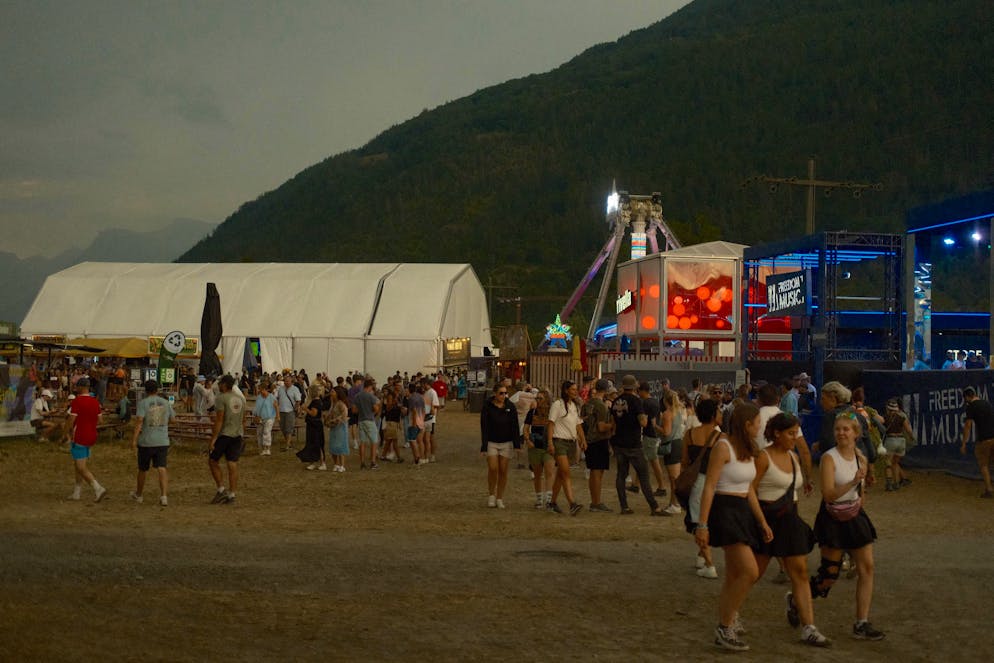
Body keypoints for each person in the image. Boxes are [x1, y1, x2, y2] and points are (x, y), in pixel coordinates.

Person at [695, 403, 772, 651]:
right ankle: (726, 624)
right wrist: (702, 525)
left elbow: (749, 488)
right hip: (725, 510)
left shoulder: (748, 448)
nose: (761, 426)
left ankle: (727, 620)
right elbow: (709, 487)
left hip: (742, 511)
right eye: (758, 422)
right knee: (749, 571)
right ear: (747, 424)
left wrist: (761, 520)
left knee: (734, 575)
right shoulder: (723, 446)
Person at [754, 413, 829, 647]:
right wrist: (759, 523)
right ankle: (730, 618)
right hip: (766, 522)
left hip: (790, 520)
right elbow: (749, 492)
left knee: (801, 573)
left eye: (796, 433)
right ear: (776, 433)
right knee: (751, 574)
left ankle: (809, 627)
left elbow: (792, 488)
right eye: (790, 433)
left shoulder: (794, 456)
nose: (795, 438)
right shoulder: (763, 457)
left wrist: (806, 480)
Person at [807, 411, 883, 640]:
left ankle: (861, 622)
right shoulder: (829, 458)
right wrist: (852, 481)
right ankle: (797, 598)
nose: (841, 433)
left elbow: (862, 491)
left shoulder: (861, 457)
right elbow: (829, 494)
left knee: (867, 568)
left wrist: (860, 496)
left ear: (856, 433)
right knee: (829, 575)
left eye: (846, 429)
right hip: (832, 518)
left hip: (854, 516)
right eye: (838, 429)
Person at [611, 375, 667, 516]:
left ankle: (624, 506)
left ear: (623, 386)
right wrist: (644, 420)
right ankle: (654, 507)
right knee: (644, 475)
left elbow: (613, 422)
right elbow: (643, 422)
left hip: (619, 442)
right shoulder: (636, 401)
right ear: (635, 386)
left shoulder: (616, 401)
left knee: (621, 475)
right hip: (634, 444)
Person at [130, 380, 176, 506]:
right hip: (162, 440)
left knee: (143, 469)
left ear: (145, 390)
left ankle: (139, 495)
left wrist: (134, 439)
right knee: (162, 468)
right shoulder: (166, 403)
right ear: (157, 390)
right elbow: (173, 419)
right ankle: (164, 496)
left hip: (146, 441)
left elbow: (139, 421)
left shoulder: (143, 403)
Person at [548, 381, 587, 515]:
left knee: (561, 474)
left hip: (571, 442)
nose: (575, 392)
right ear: (566, 390)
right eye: (573, 389)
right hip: (559, 441)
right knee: (566, 473)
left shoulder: (574, 405)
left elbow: (578, 424)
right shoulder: (557, 405)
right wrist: (550, 442)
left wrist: (583, 439)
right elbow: (551, 424)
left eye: (576, 389)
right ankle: (572, 503)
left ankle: (552, 502)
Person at [67, 378, 108, 503]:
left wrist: (66, 433)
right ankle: (77, 492)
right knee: (78, 464)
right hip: (91, 435)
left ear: (80, 387)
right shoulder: (95, 402)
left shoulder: (77, 401)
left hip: (79, 435)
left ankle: (97, 488)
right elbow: (101, 421)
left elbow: (71, 421)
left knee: (80, 467)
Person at [208, 375, 246, 505]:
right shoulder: (241, 399)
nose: (218, 385)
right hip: (237, 434)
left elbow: (219, 420)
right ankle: (232, 494)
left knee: (213, 460)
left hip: (225, 434)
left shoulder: (221, 398)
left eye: (220, 383)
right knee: (232, 463)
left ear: (225, 385)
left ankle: (221, 489)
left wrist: (213, 439)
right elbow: (243, 419)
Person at [480, 383, 519, 509]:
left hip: (506, 442)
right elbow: (484, 426)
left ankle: (499, 497)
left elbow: (515, 426)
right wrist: (484, 446)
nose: (503, 395)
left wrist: (517, 444)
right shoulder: (487, 406)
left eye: (505, 393)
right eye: (501, 393)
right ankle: (491, 494)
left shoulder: (510, 406)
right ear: (495, 394)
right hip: (492, 441)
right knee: (493, 468)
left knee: (503, 470)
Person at [580, 379, 613, 512]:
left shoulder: (587, 404)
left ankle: (594, 501)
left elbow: (582, 421)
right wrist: (613, 425)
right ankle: (596, 502)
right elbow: (601, 427)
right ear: (605, 391)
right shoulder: (602, 406)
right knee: (598, 472)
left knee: (593, 471)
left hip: (588, 440)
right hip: (599, 440)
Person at [524, 389, 556, 509]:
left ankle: (548, 499)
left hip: (548, 447)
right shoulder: (532, 413)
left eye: (540, 398)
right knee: (537, 474)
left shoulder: (552, 413)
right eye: (536, 398)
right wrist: (527, 440)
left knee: (549, 471)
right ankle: (539, 498)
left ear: (547, 400)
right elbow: (526, 428)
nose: (537, 400)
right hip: (535, 446)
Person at [961, 386, 994, 498]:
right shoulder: (986, 403)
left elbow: (968, 426)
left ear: (966, 397)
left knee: (983, 465)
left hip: (984, 439)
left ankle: (989, 489)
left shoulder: (971, 407)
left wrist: (964, 443)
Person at [659, 389, 687, 515]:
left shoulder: (667, 414)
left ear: (665, 401)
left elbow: (666, 432)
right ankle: (673, 503)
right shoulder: (679, 412)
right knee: (675, 478)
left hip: (671, 445)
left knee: (674, 478)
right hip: (678, 443)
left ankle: (675, 504)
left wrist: (655, 425)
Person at [882, 398, 914, 491]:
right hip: (901, 441)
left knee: (888, 463)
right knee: (895, 463)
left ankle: (889, 484)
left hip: (890, 440)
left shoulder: (885, 418)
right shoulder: (901, 417)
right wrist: (911, 437)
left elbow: (878, 423)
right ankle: (896, 483)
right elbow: (908, 430)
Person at [296, 383, 327, 471]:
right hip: (313, 425)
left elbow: (314, 414)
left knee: (317, 444)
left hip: (315, 426)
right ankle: (313, 462)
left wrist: (305, 409)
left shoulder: (316, 402)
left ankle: (322, 462)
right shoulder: (316, 401)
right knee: (312, 444)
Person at [353, 377, 381, 470]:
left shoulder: (357, 396)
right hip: (370, 420)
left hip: (361, 420)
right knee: (374, 441)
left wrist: (362, 410)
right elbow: (376, 409)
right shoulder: (371, 396)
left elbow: (354, 410)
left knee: (362, 442)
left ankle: (362, 463)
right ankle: (373, 462)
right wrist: (372, 412)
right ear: (369, 386)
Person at [325, 387, 350, 472]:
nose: (331, 393)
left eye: (333, 392)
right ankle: (336, 464)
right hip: (333, 427)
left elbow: (344, 414)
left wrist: (335, 420)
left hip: (340, 427)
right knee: (333, 445)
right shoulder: (333, 403)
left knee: (340, 445)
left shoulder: (341, 403)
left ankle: (342, 465)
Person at [275, 375, 301, 452]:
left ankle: (287, 445)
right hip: (281, 411)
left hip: (290, 411)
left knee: (289, 428)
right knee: (283, 428)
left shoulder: (295, 389)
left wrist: (296, 408)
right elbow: (277, 398)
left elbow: (298, 400)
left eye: (288, 381)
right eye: (285, 381)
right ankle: (288, 443)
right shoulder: (280, 389)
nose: (286, 382)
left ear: (291, 381)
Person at [252, 381, 277, 456]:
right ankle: (262, 449)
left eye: (261, 389)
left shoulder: (271, 397)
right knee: (259, 433)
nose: (259, 391)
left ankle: (267, 448)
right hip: (260, 418)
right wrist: (255, 415)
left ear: (265, 389)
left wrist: (278, 416)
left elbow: (276, 406)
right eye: (259, 389)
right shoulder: (259, 397)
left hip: (269, 418)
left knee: (266, 432)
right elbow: (257, 407)